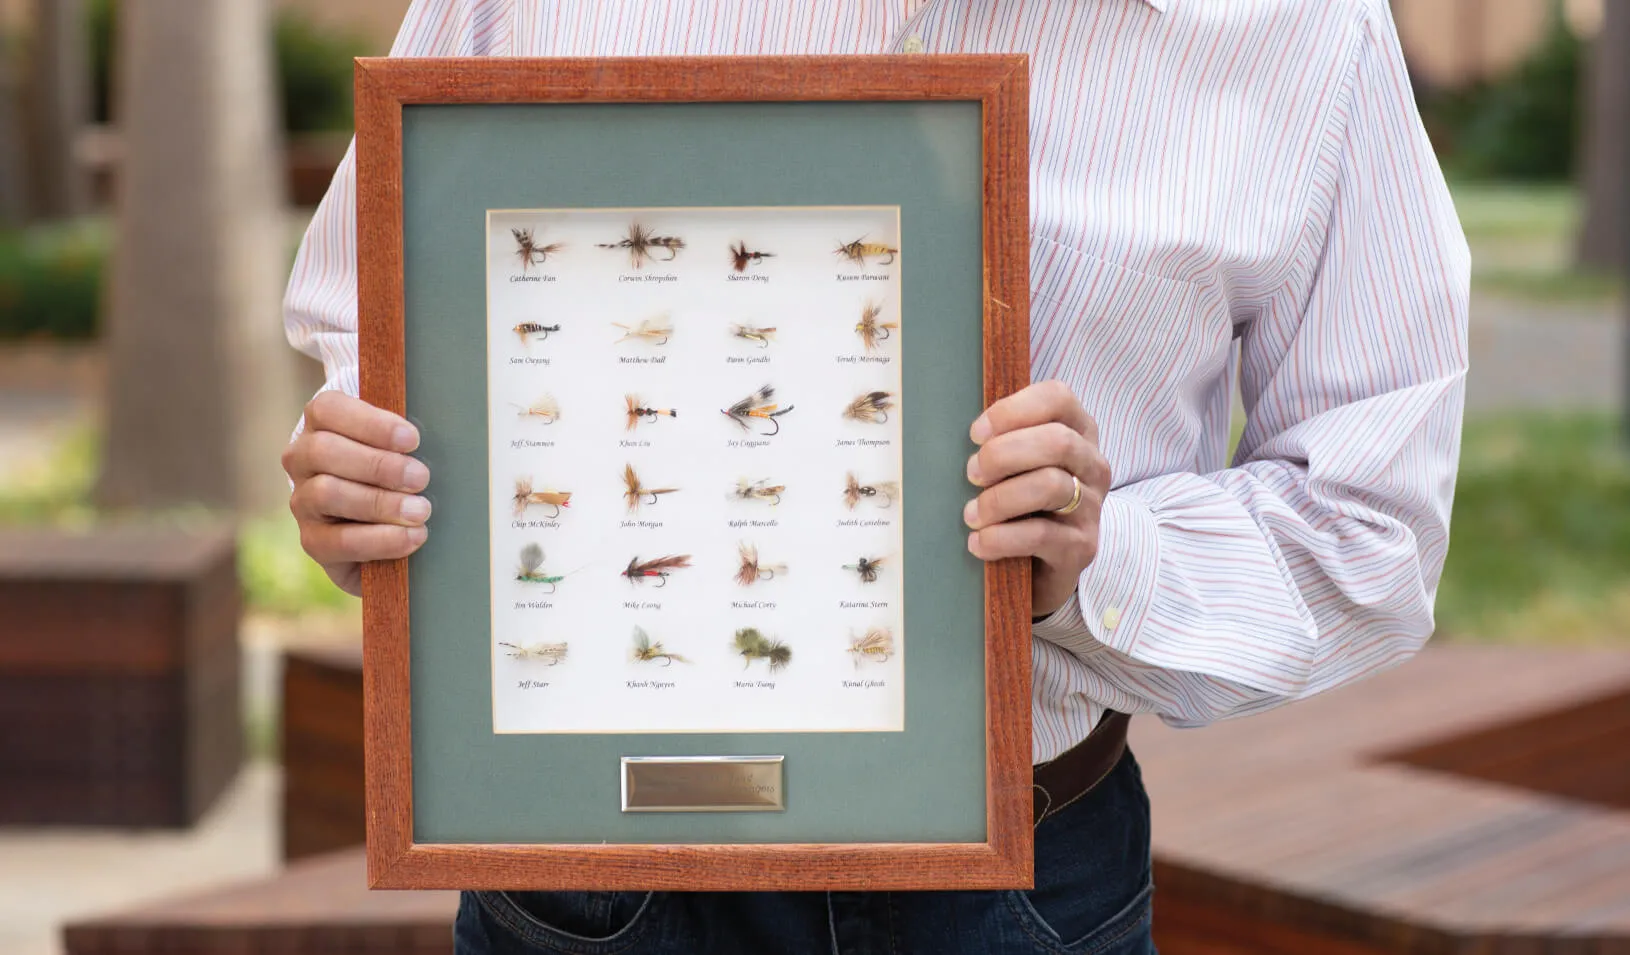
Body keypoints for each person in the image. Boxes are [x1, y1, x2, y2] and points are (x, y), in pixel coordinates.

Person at [281, 1, 1469, 952]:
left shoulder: (1302, 35)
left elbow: (1372, 520)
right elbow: (374, 320)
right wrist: (369, 486)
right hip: (587, 884)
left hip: (1019, 889)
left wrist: (1100, 563)